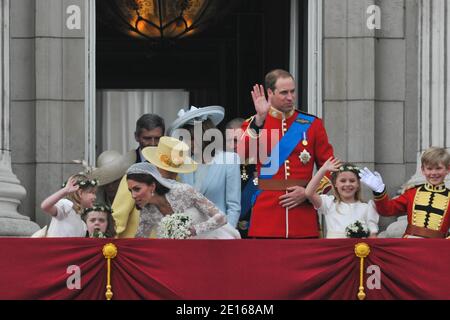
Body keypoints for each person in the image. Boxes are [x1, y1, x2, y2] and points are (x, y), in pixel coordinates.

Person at [240, 69, 334, 238]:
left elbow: (330, 167)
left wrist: (307, 193)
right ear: (270, 93)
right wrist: (260, 120)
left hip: (302, 219)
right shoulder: (255, 124)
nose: (290, 97)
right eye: (284, 93)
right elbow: (241, 155)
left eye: (292, 91)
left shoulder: (313, 124)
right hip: (267, 219)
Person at [167, 106, 241, 228]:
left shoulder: (229, 160)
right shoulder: (183, 163)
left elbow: (233, 206)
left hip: (220, 233)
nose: (189, 143)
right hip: (190, 234)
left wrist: (228, 234)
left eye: (192, 138)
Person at [127, 162, 241, 239]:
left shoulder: (182, 191)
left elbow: (221, 218)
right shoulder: (147, 211)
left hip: (216, 244)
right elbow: (140, 241)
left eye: (137, 189)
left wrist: (193, 230)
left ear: (152, 186)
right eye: (130, 190)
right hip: (190, 256)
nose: (133, 195)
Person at [360, 147, 450, 239]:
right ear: (423, 170)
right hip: (410, 245)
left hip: (437, 248)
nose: (434, 173)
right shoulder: (412, 193)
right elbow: (387, 210)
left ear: (448, 169)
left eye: (438, 168)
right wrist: (379, 191)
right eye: (429, 169)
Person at [112, 114, 165, 238]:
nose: (153, 143)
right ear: (136, 137)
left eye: (157, 139)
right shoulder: (123, 166)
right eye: (147, 138)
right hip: (133, 244)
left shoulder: (170, 168)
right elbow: (117, 217)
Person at [305, 158, 379, 238]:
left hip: (357, 249)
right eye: (343, 181)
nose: (347, 184)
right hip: (333, 248)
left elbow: (372, 236)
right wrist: (323, 170)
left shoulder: (367, 208)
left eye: (352, 181)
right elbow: (309, 193)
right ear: (335, 184)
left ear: (358, 184)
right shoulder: (329, 203)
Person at [225, 118, 257, 238]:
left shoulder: (261, 166)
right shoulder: (220, 165)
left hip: (254, 235)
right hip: (228, 232)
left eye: (236, 140)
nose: (232, 145)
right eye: (229, 141)